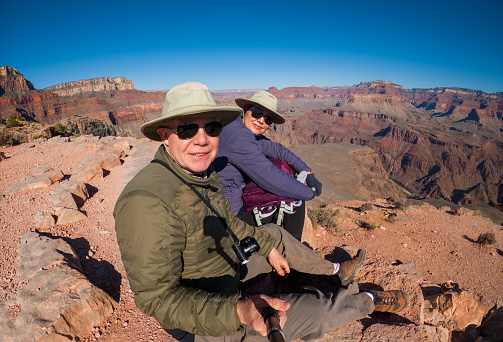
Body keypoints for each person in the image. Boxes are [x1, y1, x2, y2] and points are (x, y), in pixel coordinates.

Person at [114, 82, 409, 342]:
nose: (202, 139)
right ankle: (367, 301)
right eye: (188, 128)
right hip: (202, 321)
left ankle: (333, 271)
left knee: (271, 235)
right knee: (312, 312)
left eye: (212, 128)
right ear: (165, 135)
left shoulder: (202, 175)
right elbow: (158, 300)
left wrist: (267, 248)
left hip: (224, 272)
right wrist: (238, 311)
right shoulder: (146, 200)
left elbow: (231, 222)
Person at [212, 90, 322, 241]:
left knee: (283, 168)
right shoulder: (238, 137)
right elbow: (271, 178)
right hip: (230, 216)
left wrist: (307, 172)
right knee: (295, 198)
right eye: (257, 113)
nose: (261, 120)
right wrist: (308, 193)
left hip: (229, 203)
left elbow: (278, 149)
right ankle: (292, 252)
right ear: (245, 110)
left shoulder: (238, 126)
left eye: (268, 119)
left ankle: (288, 248)